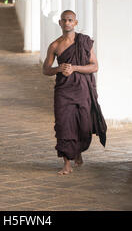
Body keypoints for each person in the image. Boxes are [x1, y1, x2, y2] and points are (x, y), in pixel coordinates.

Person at [42, 10, 107, 175]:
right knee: (63, 124)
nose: (67, 23)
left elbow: (95, 66)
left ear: (75, 23)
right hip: (63, 90)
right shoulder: (55, 45)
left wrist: (75, 68)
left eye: (70, 20)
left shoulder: (84, 42)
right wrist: (59, 68)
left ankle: (77, 151)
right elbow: (46, 69)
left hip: (82, 90)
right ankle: (66, 163)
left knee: (83, 125)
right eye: (64, 20)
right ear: (60, 23)